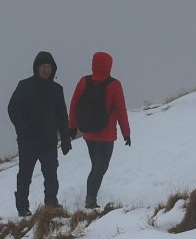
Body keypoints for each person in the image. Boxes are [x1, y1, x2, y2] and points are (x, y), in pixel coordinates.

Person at [7, 50, 73, 216]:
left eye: (49, 66)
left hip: (49, 141)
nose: (46, 70)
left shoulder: (57, 89)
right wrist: (22, 129)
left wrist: (65, 140)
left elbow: (62, 116)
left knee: (51, 174)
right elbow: (12, 109)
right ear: (36, 68)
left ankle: (51, 204)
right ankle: (23, 209)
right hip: (28, 141)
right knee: (25, 175)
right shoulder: (24, 86)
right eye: (43, 66)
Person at [68, 51, 131, 208]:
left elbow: (74, 105)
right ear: (109, 65)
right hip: (106, 135)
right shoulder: (114, 85)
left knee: (96, 167)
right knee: (99, 168)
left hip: (89, 134)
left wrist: (72, 126)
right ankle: (90, 201)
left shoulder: (84, 81)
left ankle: (91, 199)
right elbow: (121, 110)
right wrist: (126, 133)